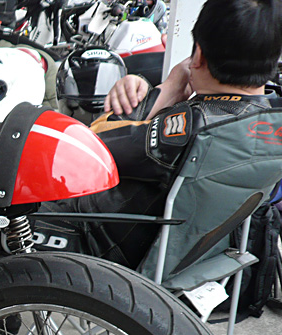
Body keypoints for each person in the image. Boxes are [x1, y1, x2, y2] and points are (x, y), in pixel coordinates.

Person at [35, 0, 282, 268]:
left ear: (198, 55)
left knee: (3, 215)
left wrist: (170, 87)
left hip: (99, 243)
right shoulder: (269, 122)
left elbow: (87, 146)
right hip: (195, 261)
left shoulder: (193, 127)